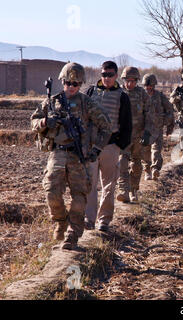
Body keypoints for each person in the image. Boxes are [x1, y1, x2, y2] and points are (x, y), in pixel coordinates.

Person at [31, 62, 111, 250]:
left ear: (81, 84)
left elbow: (106, 126)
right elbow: (33, 121)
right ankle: (60, 222)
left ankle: (73, 235)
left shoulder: (87, 103)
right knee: (51, 192)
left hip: (78, 155)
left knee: (79, 197)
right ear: (62, 81)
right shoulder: (52, 101)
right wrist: (44, 122)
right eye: (68, 83)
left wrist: (96, 150)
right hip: (57, 153)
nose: (71, 87)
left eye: (75, 84)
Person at [84, 61, 132, 232]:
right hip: (91, 146)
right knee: (90, 184)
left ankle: (103, 220)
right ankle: (88, 219)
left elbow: (127, 124)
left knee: (109, 185)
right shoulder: (90, 92)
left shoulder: (122, 96)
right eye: (104, 74)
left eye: (110, 75)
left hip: (111, 146)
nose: (106, 78)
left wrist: (118, 145)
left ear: (116, 76)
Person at [116, 67, 156, 202]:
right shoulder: (118, 93)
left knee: (136, 164)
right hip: (123, 136)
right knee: (122, 162)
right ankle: (123, 190)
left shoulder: (142, 94)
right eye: (128, 80)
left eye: (133, 81)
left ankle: (133, 190)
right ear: (123, 80)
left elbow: (149, 114)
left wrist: (147, 131)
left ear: (137, 81)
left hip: (138, 135)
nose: (130, 84)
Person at [142, 74, 175, 181]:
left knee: (156, 150)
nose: (148, 88)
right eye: (146, 86)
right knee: (145, 151)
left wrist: (168, 123)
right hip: (144, 130)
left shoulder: (160, 96)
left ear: (154, 85)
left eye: (150, 85)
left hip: (157, 128)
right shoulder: (141, 97)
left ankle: (155, 168)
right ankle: (147, 171)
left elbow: (170, 109)